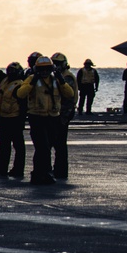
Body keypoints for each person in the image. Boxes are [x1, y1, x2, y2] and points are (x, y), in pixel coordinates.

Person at [16, 56, 74, 185]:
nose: (44, 72)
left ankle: (40, 173)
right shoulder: (32, 79)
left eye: (47, 69)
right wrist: (31, 82)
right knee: (42, 147)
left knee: (46, 147)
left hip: (53, 117)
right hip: (37, 117)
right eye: (42, 69)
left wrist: (62, 80)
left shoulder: (56, 80)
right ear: (37, 69)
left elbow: (70, 94)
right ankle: (41, 173)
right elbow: (21, 93)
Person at [0, 44, 26, 178]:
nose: (11, 73)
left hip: (15, 119)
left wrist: (21, 121)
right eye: (10, 71)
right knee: (4, 146)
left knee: (18, 147)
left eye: (13, 71)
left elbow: (24, 106)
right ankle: (1, 169)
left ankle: (18, 170)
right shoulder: (4, 80)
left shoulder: (21, 85)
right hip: (3, 118)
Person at [51, 52, 78, 181]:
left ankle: (60, 171)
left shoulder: (67, 77)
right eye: (53, 63)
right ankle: (56, 169)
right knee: (54, 142)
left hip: (63, 114)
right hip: (56, 113)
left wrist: (64, 116)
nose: (55, 66)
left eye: (57, 63)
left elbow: (69, 97)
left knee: (60, 144)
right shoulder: (56, 76)